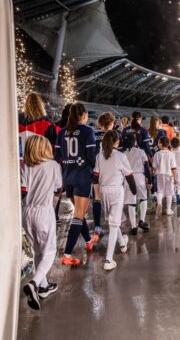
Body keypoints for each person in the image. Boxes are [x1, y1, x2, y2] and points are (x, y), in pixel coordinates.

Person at [21, 135, 62, 310]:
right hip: (44, 211)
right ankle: (35, 283)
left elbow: (22, 191)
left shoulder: (25, 167)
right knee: (50, 251)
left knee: (38, 250)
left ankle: (44, 287)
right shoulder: (53, 166)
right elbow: (59, 189)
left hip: (26, 212)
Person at [54, 103, 96, 266]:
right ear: (83, 115)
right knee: (78, 214)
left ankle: (88, 240)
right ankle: (67, 254)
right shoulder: (87, 131)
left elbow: (57, 155)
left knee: (80, 212)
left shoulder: (62, 132)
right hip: (82, 177)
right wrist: (93, 170)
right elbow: (92, 155)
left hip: (67, 177)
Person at [93, 131, 137, 271]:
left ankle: (122, 244)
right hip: (116, 190)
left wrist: (97, 195)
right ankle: (108, 259)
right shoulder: (120, 155)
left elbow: (95, 177)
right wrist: (134, 191)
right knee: (113, 225)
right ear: (117, 142)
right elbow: (129, 176)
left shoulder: (99, 156)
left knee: (113, 221)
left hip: (103, 190)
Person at [124, 133, 152, 235]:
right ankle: (142, 220)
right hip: (139, 177)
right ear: (135, 141)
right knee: (143, 198)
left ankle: (133, 226)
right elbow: (146, 168)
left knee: (131, 202)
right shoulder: (141, 152)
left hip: (128, 178)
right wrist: (149, 180)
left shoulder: (123, 153)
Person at [19, 92, 56, 158]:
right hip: (41, 156)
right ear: (40, 104)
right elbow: (51, 142)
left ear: (26, 104)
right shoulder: (47, 121)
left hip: (23, 156)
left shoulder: (18, 119)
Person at [153, 136, 177, 216]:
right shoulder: (171, 154)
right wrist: (175, 177)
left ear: (161, 144)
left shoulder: (157, 154)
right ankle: (168, 210)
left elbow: (154, 166)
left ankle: (159, 203)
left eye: (159, 142)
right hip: (169, 174)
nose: (158, 144)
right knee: (169, 192)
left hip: (160, 174)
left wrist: (154, 172)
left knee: (160, 191)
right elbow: (173, 167)